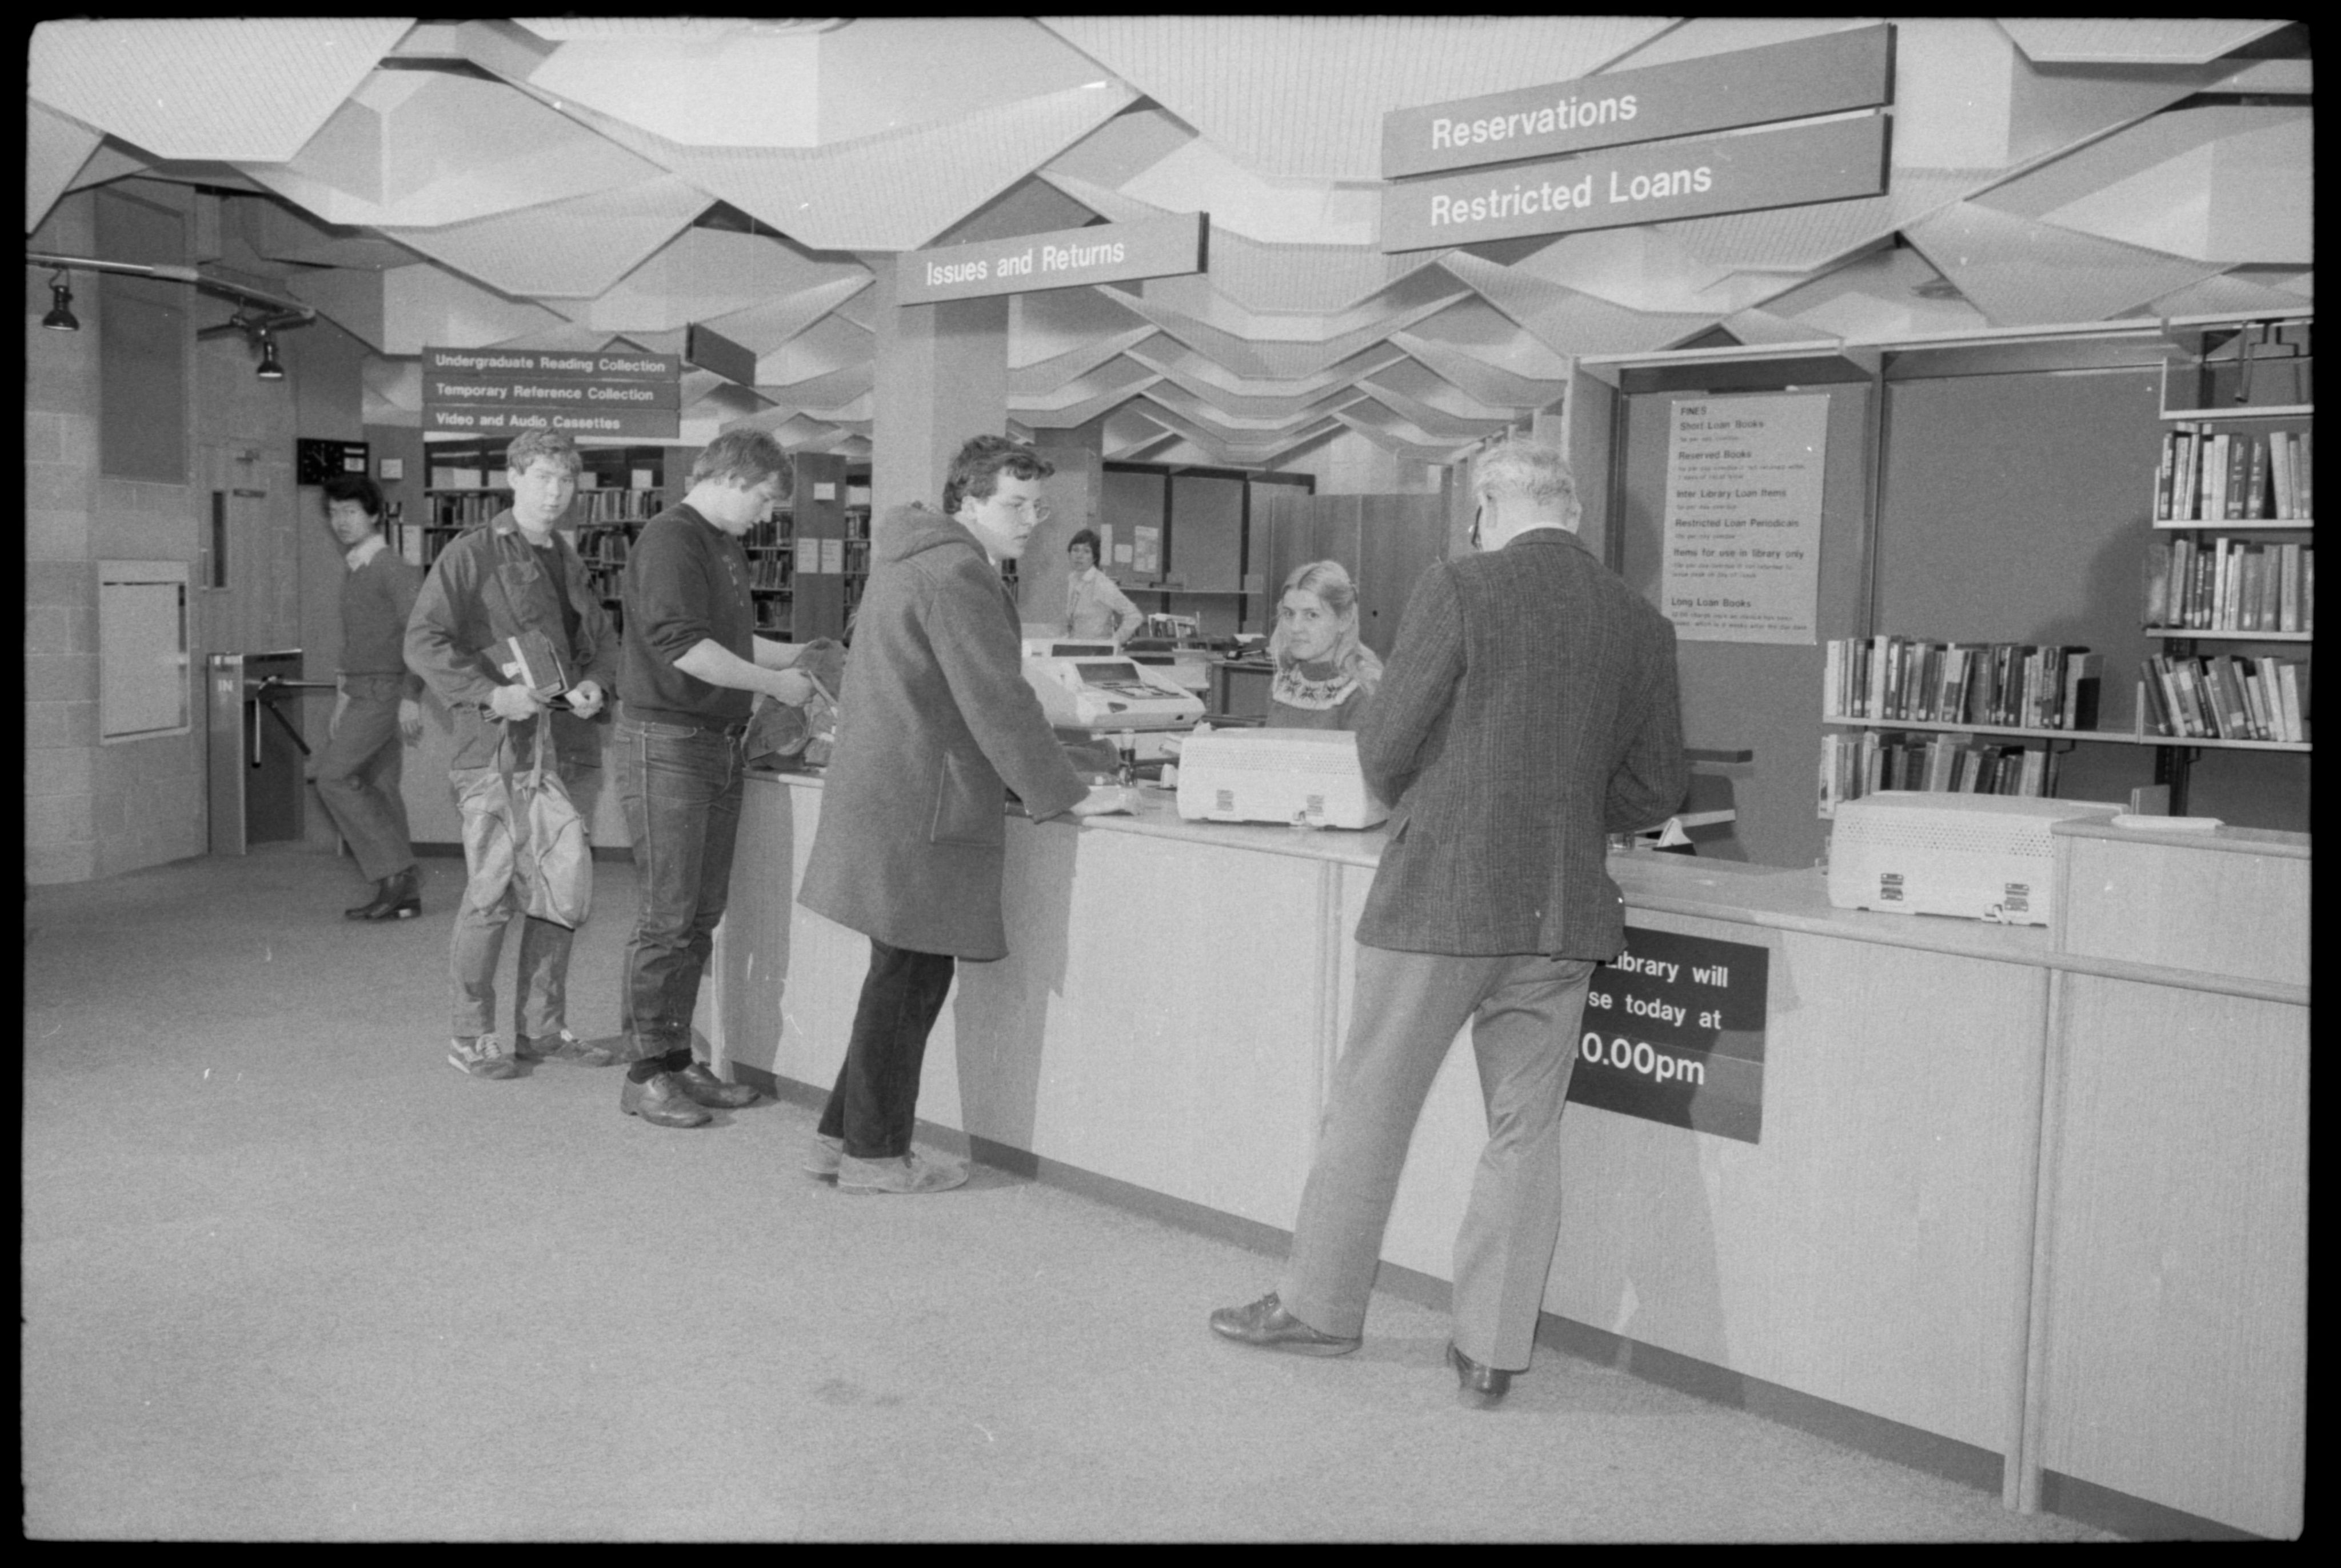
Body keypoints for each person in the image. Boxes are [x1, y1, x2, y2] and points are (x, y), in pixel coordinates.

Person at [1210, 437, 1687, 1407]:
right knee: (1524, 1130)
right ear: (1574, 516)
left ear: (1487, 508)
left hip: (1439, 898)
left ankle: (1320, 1308)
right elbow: (1655, 786)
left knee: (1369, 1108)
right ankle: (1490, 1350)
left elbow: (1382, 741)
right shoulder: (1641, 619)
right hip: (1561, 914)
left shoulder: (1463, 584)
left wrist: (1443, 789)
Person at [797, 435, 1132, 1194]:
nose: (1031, 520)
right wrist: (1066, 793)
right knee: (910, 983)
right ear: (968, 500)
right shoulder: (958, 572)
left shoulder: (913, 557)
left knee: (898, 974)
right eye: (1014, 504)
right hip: (923, 802)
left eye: (1038, 506)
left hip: (894, 792)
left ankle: (839, 1140)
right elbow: (998, 703)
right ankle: (875, 1158)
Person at [612, 429, 818, 1130]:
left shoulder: (724, 543)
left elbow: (729, 641)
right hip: (666, 741)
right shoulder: (673, 539)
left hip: (714, 742)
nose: (765, 514)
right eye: (763, 498)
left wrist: (802, 658)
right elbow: (685, 650)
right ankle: (644, 1072)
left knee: (700, 915)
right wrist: (776, 685)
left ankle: (675, 1058)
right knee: (666, 916)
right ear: (732, 477)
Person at [405, 429, 622, 1081]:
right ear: (514, 477)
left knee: (562, 892)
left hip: (562, 750)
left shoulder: (569, 558)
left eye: (565, 480)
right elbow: (423, 639)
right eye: (542, 477)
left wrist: (594, 683)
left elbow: (601, 640)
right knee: (493, 893)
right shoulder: (472, 555)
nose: (554, 492)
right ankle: (471, 1035)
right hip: (496, 751)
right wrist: (492, 695)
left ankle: (542, 1028)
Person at [309, 474, 426, 921]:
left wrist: (412, 695)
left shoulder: (390, 568)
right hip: (363, 690)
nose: (341, 521)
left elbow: (421, 633)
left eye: (351, 512)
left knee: (333, 779)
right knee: (378, 787)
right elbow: (359, 642)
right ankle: (405, 893)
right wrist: (343, 695)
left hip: (385, 692)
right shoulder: (357, 569)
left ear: (374, 515)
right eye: (335, 512)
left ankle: (394, 874)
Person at [1264, 559, 1384, 731]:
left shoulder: (1363, 690)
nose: (1295, 628)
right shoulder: (1282, 683)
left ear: (1344, 620)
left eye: (1311, 615)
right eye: (1289, 614)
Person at [1064, 527, 1142, 646]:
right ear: (1069, 554)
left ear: (1094, 557)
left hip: (1096, 652)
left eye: (1086, 551)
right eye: (1075, 550)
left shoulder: (1101, 583)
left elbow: (1134, 616)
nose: (1079, 556)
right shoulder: (1073, 579)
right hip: (1075, 647)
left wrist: (1113, 643)